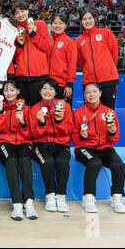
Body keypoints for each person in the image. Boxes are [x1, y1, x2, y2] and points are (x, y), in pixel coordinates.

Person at [72, 83, 125, 214]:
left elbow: (114, 139)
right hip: (84, 147)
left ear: (100, 93)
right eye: (88, 92)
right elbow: (74, 138)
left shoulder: (109, 113)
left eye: (94, 91)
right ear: (84, 95)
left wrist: (112, 131)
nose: (91, 95)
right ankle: (88, 198)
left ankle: (116, 198)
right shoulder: (78, 113)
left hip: (104, 147)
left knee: (118, 165)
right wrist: (81, 135)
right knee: (94, 163)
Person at [0, 80, 38, 220]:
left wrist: (23, 122)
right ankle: (17, 203)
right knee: (11, 161)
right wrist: (0, 111)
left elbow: (29, 133)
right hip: (5, 143)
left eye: (12, 90)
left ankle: (29, 201)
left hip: (23, 142)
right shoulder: (0, 107)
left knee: (25, 160)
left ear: (18, 91)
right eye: (6, 90)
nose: (9, 93)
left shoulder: (26, 109)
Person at [29, 78, 72, 213]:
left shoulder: (64, 106)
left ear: (55, 92)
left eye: (51, 89)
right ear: (40, 91)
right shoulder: (34, 109)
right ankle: (50, 195)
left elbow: (69, 129)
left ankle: (61, 196)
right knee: (48, 162)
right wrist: (41, 123)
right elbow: (33, 134)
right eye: (45, 89)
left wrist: (59, 122)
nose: (47, 92)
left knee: (62, 162)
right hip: (41, 144)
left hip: (61, 143)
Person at [76, 9, 119, 109]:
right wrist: (89, 71)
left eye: (90, 18)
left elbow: (114, 55)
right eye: (84, 19)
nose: (87, 21)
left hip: (108, 79)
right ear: (81, 22)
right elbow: (81, 62)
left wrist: (109, 68)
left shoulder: (106, 33)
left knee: (108, 113)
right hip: (90, 82)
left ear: (94, 19)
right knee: (91, 113)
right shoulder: (78, 41)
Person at [13, 1, 52, 107]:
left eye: (22, 11)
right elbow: (14, 57)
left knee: (38, 111)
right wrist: (20, 45)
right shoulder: (15, 31)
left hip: (39, 76)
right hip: (21, 77)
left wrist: (33, 34)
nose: (20, 14)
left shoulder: (40, 24)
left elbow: (47, 47)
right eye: (17, 13)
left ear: (28, 11)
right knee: (22, 110)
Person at [49, 13, 77, 107]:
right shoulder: (49, 41)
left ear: (65, 25)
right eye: (55, 23)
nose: (57, 26)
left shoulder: (69, 42)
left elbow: (72, 65)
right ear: (51, 24)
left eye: (60, 23)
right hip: (48, 85)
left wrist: (69, 85)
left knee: (64, 115)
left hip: (62, 86)